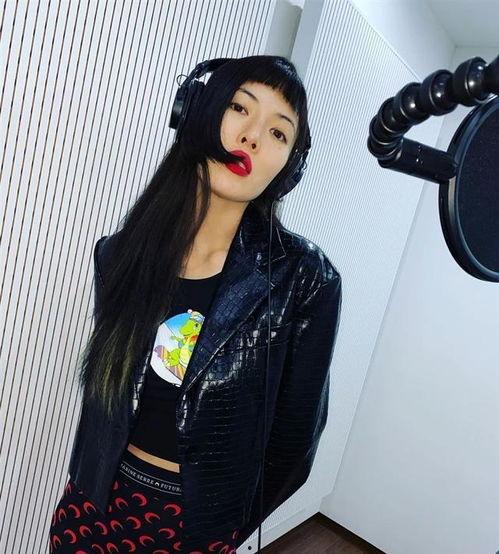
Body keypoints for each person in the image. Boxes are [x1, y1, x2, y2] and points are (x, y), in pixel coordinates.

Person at [48, 55, 342, 553]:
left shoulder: (306, 279)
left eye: (278, 132)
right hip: (91, 505)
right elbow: (107, 397)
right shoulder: (118, 255)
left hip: (192, 528)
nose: (252, 136)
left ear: (288, 166)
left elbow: (295, 445)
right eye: (239, 108)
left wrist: (222, 531)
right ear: (198, 113)